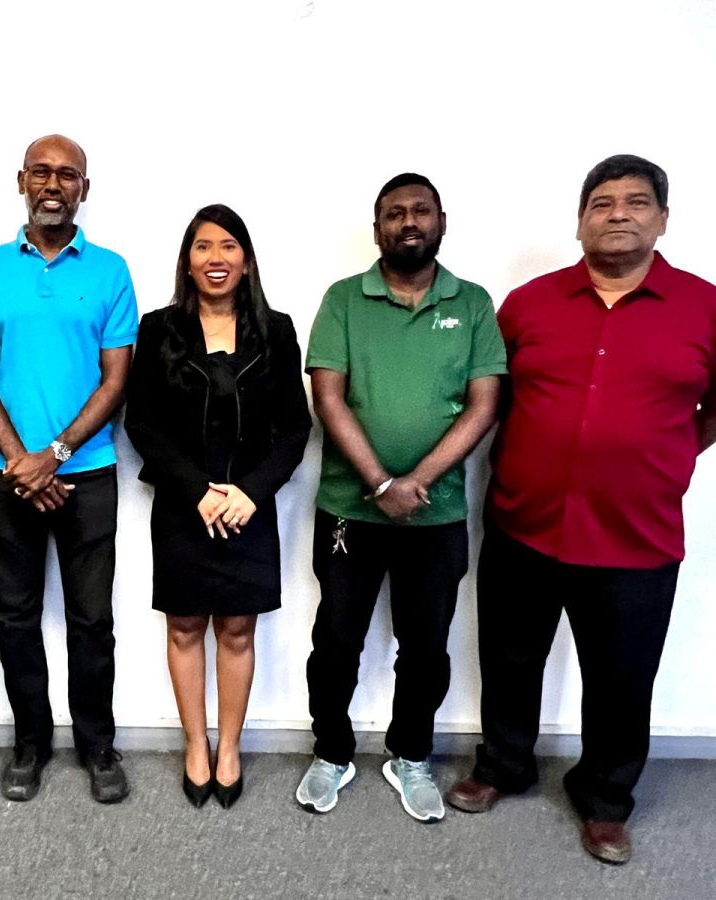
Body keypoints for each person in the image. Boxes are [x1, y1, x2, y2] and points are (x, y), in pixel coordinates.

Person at [445, 155, 716, 864]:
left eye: (634, 202)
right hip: (523, 524)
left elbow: (710, 409)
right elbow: (488, 396)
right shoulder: (529, 304)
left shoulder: (704, 307)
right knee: (509, 660)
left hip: (636, 538)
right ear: (580, 220)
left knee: (622, 680)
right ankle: (504, 765)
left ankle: (605, 800)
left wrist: (671, 453)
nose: (617, 213)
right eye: (601, 202)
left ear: (662, 219)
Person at [296, 173, 506, 822]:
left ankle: (410, 754)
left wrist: (415, 484)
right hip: (349, 510)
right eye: (394, 213)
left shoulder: (471, 304)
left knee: (426, 644)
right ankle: (331, 750)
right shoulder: (343, 301)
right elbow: (328, 396)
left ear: (441, 219)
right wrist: (381, 484)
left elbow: (484, 404)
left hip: (435, 514)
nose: (407, 221)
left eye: (420, 211)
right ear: (377, 227)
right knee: (336, 638)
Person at [0, 134, 138, 803]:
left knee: (91, 619)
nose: (53, 183)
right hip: (2, 472)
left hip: (87, 472)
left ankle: (98, 745)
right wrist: (20, 461)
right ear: (20, 181)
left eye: (68, 175)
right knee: (14, 616)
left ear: (84, 191)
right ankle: (30, 744)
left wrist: (55, 456)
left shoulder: (110, 270)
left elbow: (115, 379)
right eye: (41, 171)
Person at [124, 204, 310, 809]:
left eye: (228, 246)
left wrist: (249, 493)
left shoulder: (276, 330)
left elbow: (294, 429)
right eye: (202, 247)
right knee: (184, 626)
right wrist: (197, 490)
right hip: (184, 505)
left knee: (236, 628)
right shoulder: (158, 329)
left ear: (247, 260)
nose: (215, 258)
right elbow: (143, 423)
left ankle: (228, 746)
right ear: (187, 260)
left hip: (248, 508)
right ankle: (194, 744)